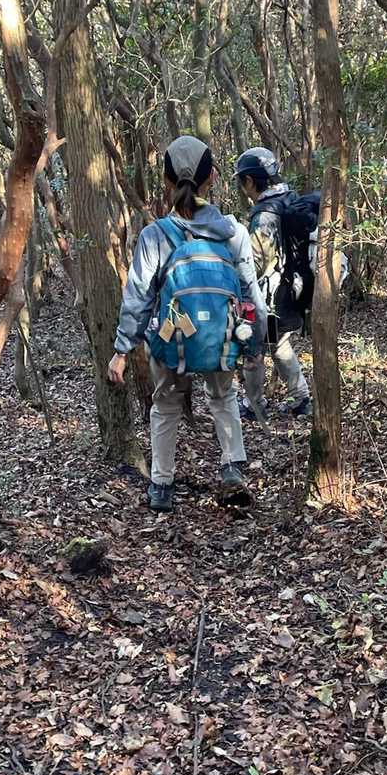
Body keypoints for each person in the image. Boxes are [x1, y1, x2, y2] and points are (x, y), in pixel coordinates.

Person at [107, 135, 267, 512]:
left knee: (165, 404)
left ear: (166, 180)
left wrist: (122, 349)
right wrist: (256, 342)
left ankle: (161, 485)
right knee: (223, 396)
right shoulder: (233, 233)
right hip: (222, 335)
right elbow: (250, 293)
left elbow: (138, 297)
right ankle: (232, 466)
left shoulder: (155, 235)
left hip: (170, 335)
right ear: (212, 177)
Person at [234, 146, 312, 419]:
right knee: (278, 343)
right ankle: (301, 397)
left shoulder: (265, 214)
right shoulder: (289, 198)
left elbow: (257, 263)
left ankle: (253, 403)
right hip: (292, 287)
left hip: (270, 295)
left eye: (241, 181)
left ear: (249, 181)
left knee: (254, 349)